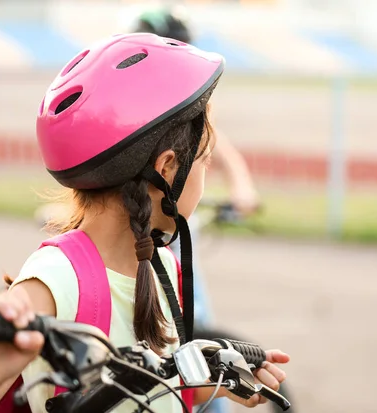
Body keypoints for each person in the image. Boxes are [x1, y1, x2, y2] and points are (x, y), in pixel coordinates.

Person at [0, 34, 288, 413]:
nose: (207, 175)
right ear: (167, 169)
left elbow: (155, 392)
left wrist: (219, 383)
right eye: (205, 162)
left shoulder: (162, 265)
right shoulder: (57, 279)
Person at [132, 5, 260, 327]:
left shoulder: (191, 109)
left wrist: (242, 189)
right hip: (132, 222)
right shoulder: (130, 108)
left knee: (192, 309)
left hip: (168, 222)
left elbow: (222, 150)